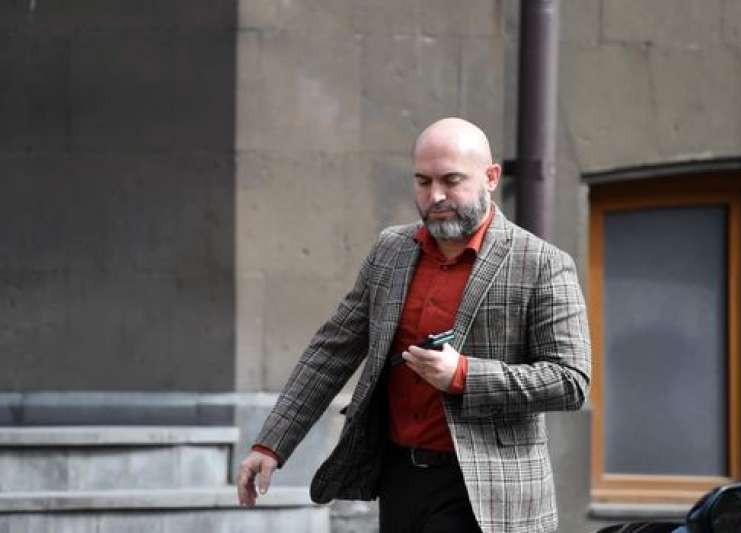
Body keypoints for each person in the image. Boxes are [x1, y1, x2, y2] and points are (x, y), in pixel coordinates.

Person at [236, 117, 591, 533]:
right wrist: (271, 443)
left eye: (451, 180)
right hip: (400, 479)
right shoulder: (392, 250)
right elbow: (332, 350)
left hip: (488, 494)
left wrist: (463, 375)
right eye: (423, 181)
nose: (435, 195)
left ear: (491, 177)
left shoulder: (543, 263)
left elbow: (570, 380)